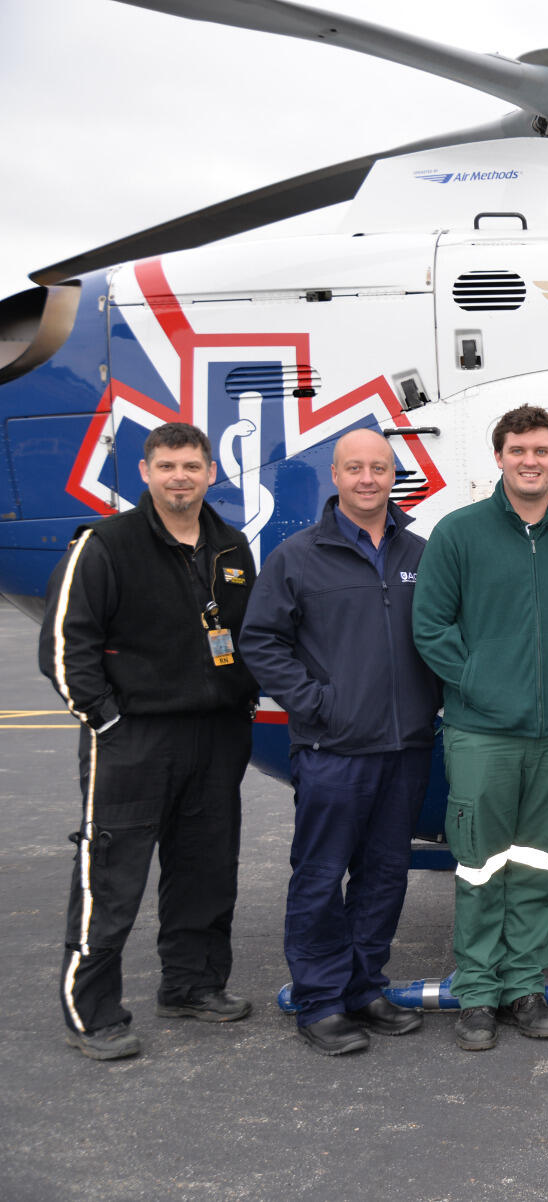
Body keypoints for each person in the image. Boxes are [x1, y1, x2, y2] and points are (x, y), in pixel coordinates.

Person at [39, 421, 259, 1060]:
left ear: (211, 472)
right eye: (167, 466)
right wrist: (105, 719)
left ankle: (191, 985)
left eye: (192, 466)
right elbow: (64, 646)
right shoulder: (106, 544)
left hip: (214, 739)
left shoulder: (230, 547)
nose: (180, 477)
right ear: (145, 472)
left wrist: (239, 701)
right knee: (111, 877)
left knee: (206, 872)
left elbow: (247, 636)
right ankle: (95, 1012)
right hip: (132, 741)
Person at [240, 428, 441, 1056]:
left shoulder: (421, 552)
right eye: (354, 468)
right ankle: (319, 999)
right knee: (321, 877)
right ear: (335, 475)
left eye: (378, 468)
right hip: (333, 751)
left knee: (385, 875)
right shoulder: (298, 556)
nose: (367, 479)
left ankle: (363, 986)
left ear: (392, 475)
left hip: (405, 747)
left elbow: (441, 634)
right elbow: (261, 641)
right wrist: (316, 704)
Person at [412, 406, 548, 1051]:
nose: (530, 460)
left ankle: (525, 985)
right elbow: (430, 627)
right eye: (518, 449)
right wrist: (483, 686)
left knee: (540, 864)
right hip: (481, 732)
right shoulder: (459, 533)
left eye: (541, 450)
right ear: (498, 457)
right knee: (480, 864)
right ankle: (476, 992)